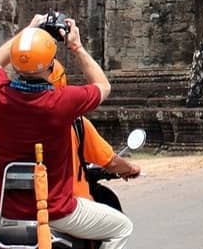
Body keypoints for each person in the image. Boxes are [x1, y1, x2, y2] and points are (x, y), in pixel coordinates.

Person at [0, 14, 132, 249]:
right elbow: (103, 86)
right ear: (49, 68)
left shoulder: (0, 96)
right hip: (57, 211)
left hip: (6, 212)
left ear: (17, 66)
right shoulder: (61, 102)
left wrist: (28, 31)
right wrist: (76, 46)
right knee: (121, 228)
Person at [49, 61, 141, 204]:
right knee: (123, 226)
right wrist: (129, 168)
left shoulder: (10, 114)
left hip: (17, 207)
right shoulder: (76, 122)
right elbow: (111, 162)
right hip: (68, 204)